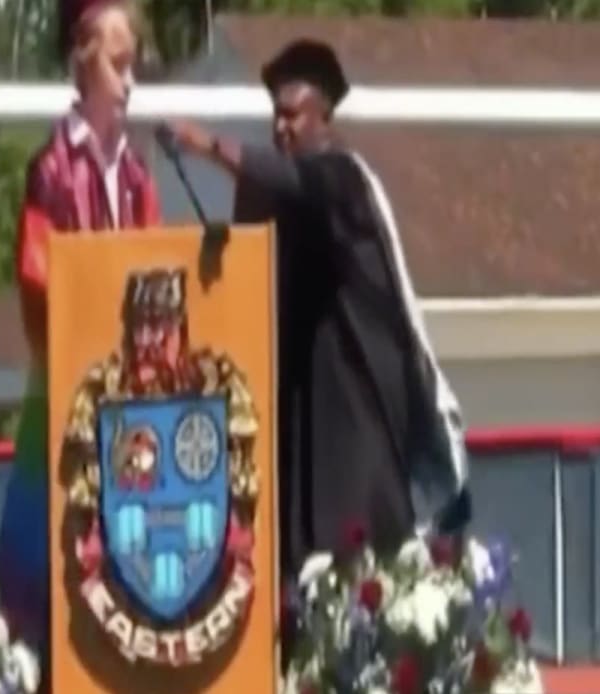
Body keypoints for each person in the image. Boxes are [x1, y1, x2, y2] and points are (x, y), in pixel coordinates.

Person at [161, 39, 471, 577]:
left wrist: (205, 144)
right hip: (305, 419)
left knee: (356, 571)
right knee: (303, 570)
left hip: (360, 419)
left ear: (323, 116)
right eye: (274, 117)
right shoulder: (295, 195)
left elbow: (294, 181)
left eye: (292, 116)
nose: (280, 129)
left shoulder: (343, 178)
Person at [0, 0, 161, 657]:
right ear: (85, 64)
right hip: (67, 395)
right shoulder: (53, 169)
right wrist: (75, 352)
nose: (129, 81)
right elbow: (37, 277)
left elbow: (156, 272)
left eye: (133, 66)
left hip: (130, 405)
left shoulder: (139, 174)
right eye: (119, 65)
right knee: (48, 556)